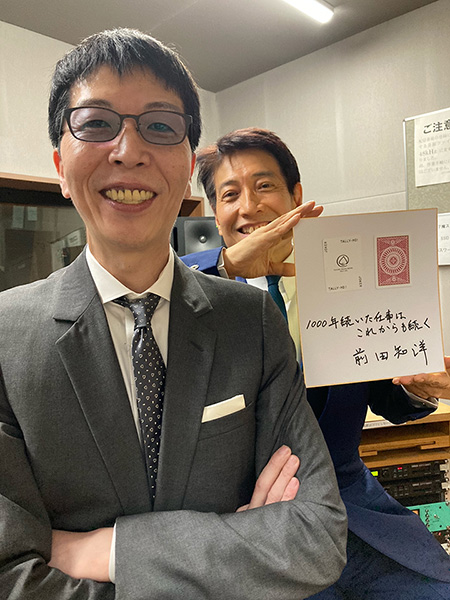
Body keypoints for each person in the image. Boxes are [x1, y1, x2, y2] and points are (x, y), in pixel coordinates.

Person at [0, 30, 349, 599]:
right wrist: (241, 544)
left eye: (160, 126)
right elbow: (10, 574)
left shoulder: (251, 322)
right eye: (96, 123)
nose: (128, 150)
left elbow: (314, 536)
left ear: (188, 168)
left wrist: (111, 549)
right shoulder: (5, 338)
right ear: (61, 165)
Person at [181, 127, 450, 599]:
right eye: (230, 194)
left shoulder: (349, 280)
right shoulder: (189, 295)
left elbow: (386, 395)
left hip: (357, 514)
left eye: (264, 186)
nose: (248, 206)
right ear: (215, 214)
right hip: (253, 529)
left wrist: (414, 385)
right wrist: (226, 267)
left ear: (296, 196)